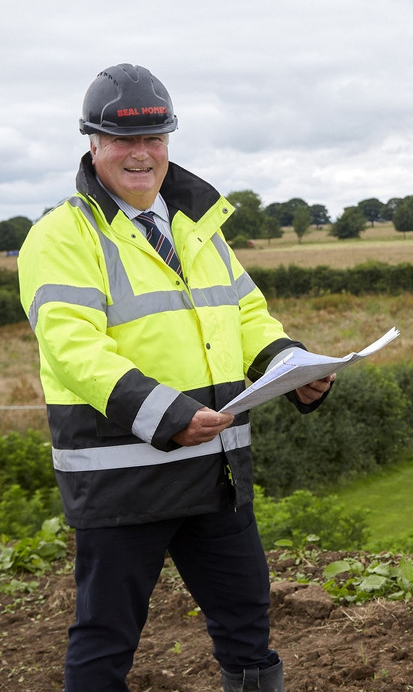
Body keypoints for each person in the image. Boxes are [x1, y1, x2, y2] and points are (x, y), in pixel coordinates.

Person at [18, 63, 336, 692]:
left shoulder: (198, 227)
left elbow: (245, 312)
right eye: (122, 140)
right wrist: (167, 414)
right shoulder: (60, 235)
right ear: (92, 143)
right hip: (122, 480)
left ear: (169, 141)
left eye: (154, 138)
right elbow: (72, 346)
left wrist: (290, 366)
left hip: (215, 468)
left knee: (248, 625)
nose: (141, 154)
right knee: (106, 639)